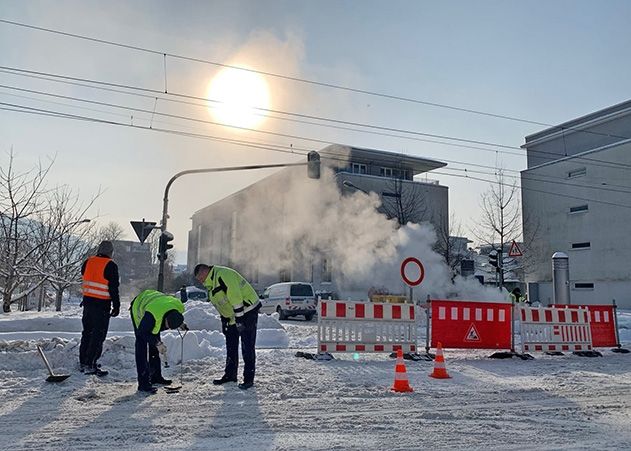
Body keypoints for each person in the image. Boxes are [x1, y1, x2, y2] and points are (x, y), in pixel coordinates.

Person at [194, 264, 261, 390]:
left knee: (247, 345)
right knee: (231, 344)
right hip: (233, 316)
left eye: (200, 278)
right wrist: (225, 320)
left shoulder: (223, 275)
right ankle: (230, 375)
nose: (200, 281)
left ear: (205, 272)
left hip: (247, 310)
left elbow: (235, 296)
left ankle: (248, 378)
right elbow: (221, 303)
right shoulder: (210, 284)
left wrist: (240, 319)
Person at [130, 289, 186, 394]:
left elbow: (174, 314)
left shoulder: (179, 306)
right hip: (139, 307)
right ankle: (143, 384)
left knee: (155, 342)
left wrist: (180, 323)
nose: (166, 328)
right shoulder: (152, 316)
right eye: (167, 326)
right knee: (141, 343)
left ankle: (156, 377)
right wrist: (157, 343)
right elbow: (143, 332)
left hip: (156, 304)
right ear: (165, 319)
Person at [79, 240, 120, 376]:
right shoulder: (111, 265)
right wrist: (116, 306)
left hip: (87, 304)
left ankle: (83, 361)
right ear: (110, 252)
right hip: (101, 306)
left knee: (87, 333)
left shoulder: (88, 262)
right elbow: (113, 288)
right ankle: (91, 364)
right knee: (98, 335)